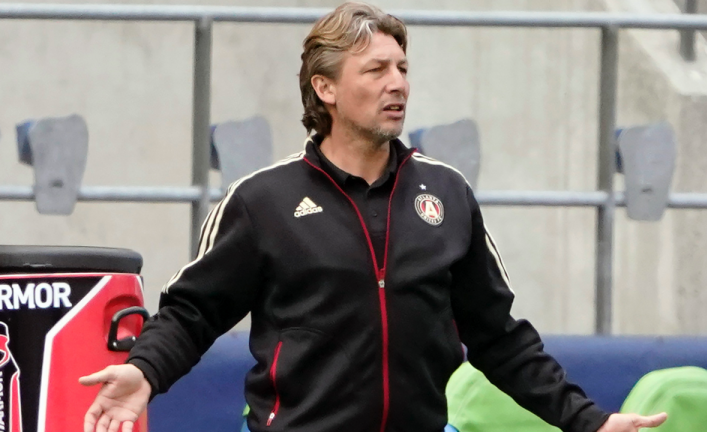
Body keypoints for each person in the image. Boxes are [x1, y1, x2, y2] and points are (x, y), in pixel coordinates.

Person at [80, 3, 668, 432]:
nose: (398, 85)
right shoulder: (263, 200)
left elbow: (500, 338)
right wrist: (145, 373)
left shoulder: (447, 193)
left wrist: (588, 422)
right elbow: (192, 313)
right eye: (376, 70)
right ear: (325, 89)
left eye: (403, 68)